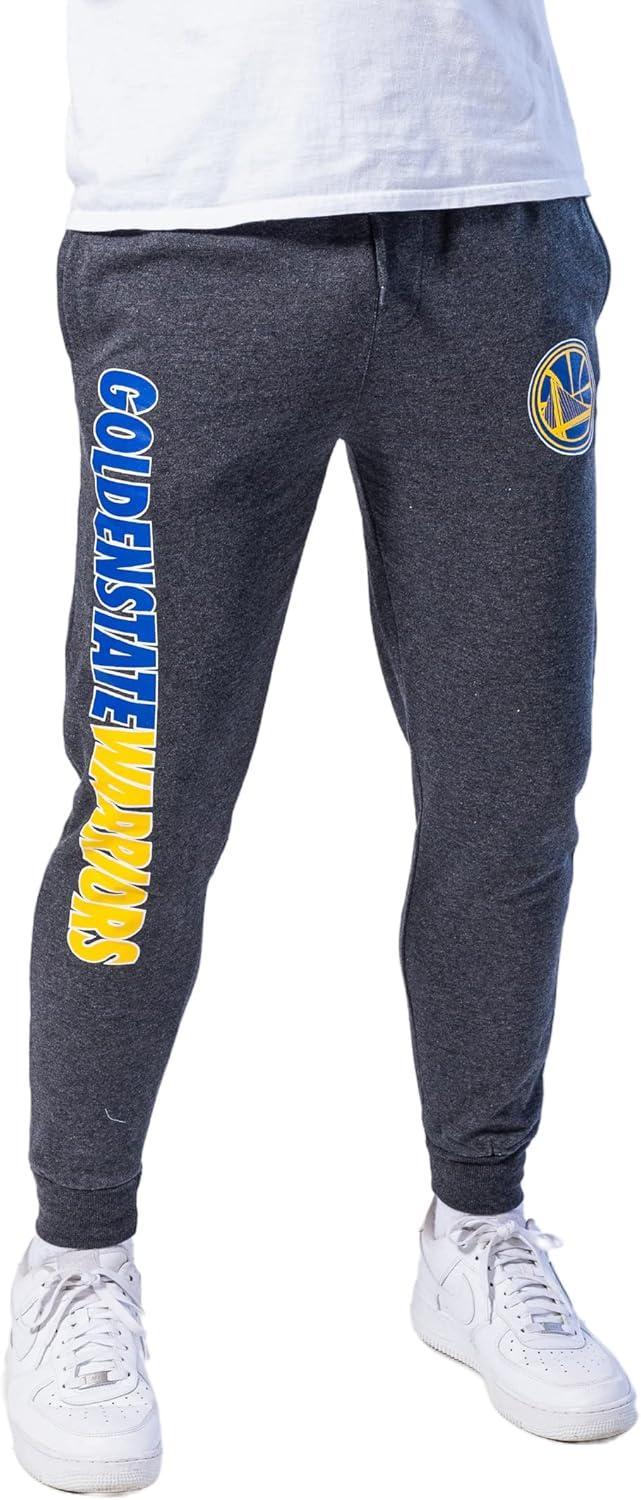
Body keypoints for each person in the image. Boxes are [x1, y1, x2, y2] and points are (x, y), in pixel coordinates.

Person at [5, 1, 635, 1489]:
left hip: (493, 213)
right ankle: (75, 1254)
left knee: (512, 782)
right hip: (192, 226)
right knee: (142, 799)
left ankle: (477, 1225)